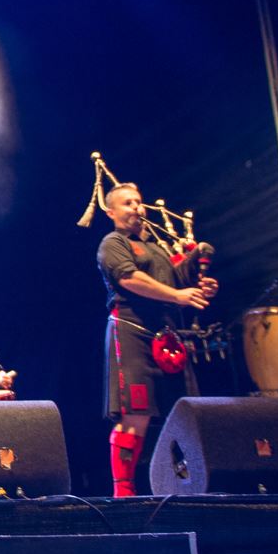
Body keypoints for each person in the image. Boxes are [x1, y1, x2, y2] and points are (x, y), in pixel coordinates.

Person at [97, 183, 216, 496]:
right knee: (135, 415)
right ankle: (124, 494)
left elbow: (177, 282)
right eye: (127, 203)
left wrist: (198, 286)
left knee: (182, 411)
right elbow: (129, 277)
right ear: (110, 212)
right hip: (131, 331)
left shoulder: (158, 248)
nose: (137, 207)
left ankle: (186, 487)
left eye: (138, 201)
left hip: (167, 334)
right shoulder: (113, 243)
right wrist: (178, 295)